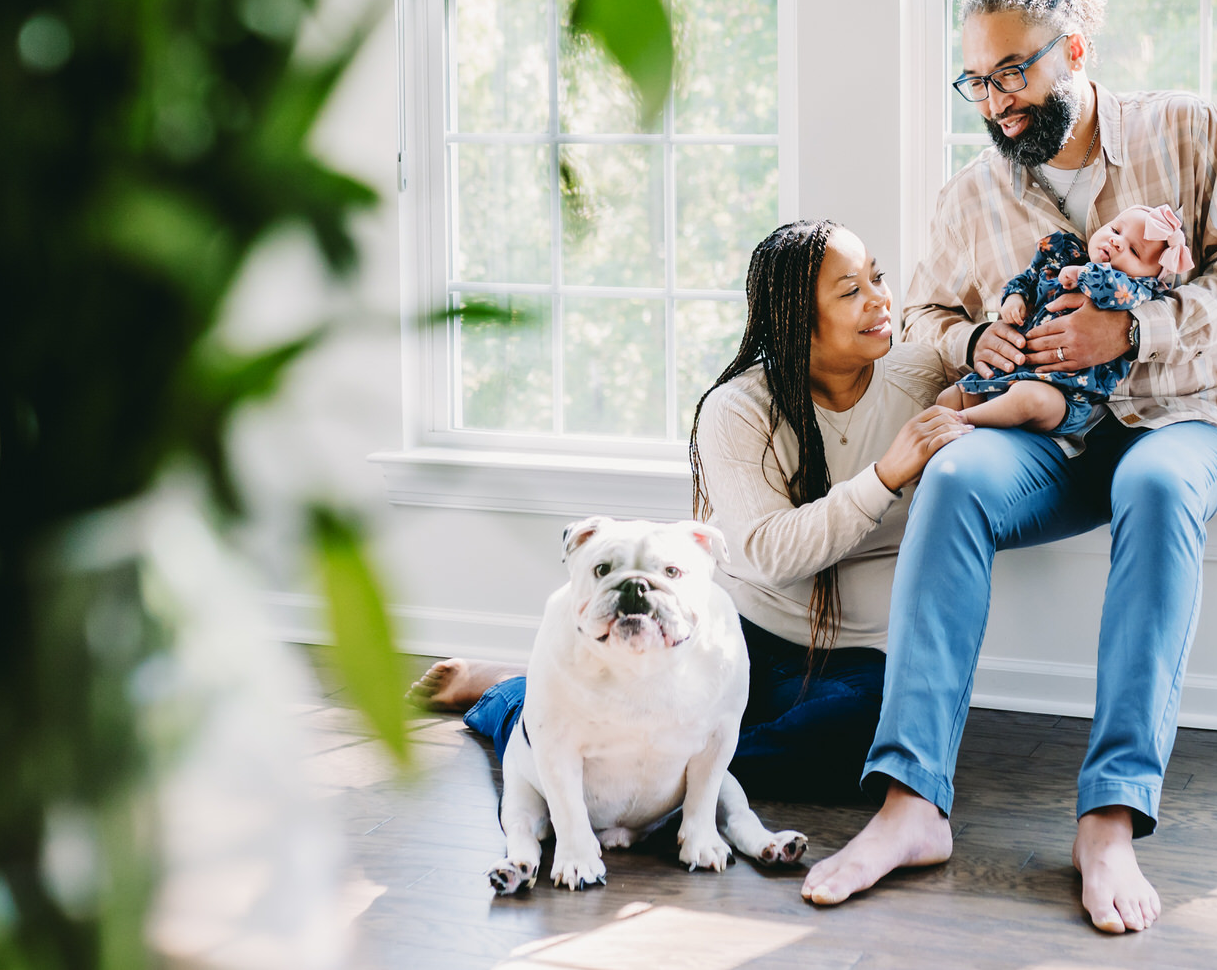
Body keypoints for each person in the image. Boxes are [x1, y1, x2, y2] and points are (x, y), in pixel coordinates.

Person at [800, 0, 1217, 933]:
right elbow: (931, 318)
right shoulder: (969, 194)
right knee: (956, 476)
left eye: (1013, 70)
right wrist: (980, 336)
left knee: (1153, 488)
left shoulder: (1185, 130)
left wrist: (1136, 326)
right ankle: (910, 802)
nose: (996, 99)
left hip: (1183, 414)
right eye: (975, 81)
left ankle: (1109, 816)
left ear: (1072, 51)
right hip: (1052, 436)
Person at [411, 220, 973, 802]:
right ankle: (512, 696)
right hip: (745, 636)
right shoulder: (738, 409)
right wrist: (886, 474)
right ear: (795, 318)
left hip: (863, 660)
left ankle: (662, 769)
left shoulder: (921, 377)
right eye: (850, 290)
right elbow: (768, 553)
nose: (880, 298)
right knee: (603, 729)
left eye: (877, 277)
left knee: (865, 743)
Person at [942, 205, 1195, 443]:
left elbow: (1115, 290)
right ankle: (950, 430)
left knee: (1028, 398)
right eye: (1116, 230)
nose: (1117, 241)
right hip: (1010, 371)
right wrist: (1014, 298)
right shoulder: (1064, 255)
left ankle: (964, 421)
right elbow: (1028, 277)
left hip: (1064, 393)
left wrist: (1082, 274)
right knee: (951, 395)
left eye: (1134, 251)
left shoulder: (1137, 288)